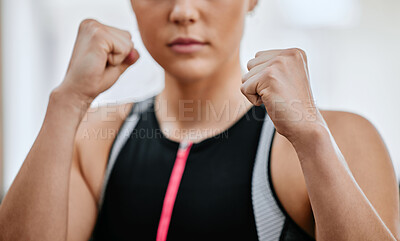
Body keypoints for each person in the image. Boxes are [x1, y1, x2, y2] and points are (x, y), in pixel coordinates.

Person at [0, 0, 399, 240]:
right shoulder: (93, 139)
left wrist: (313, 138)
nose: (184, 11)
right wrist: (67, 101)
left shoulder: (341, 138)